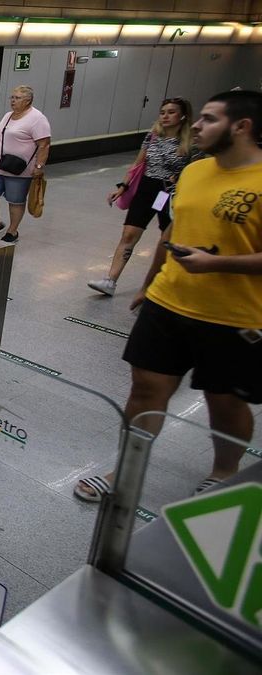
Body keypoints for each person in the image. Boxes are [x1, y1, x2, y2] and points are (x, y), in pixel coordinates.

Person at [74, 90, 262, 503]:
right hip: (167, 301)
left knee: (224, 400)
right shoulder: (195, 173)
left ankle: (224, 471)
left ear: (242, 126)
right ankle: (125, 467)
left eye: (209, 119)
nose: (197, 124)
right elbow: (172, 233)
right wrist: (149, 283)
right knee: (144, 389)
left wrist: (216, 265)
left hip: (233, 315)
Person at [88, 98, 196, 296]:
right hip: (147, 188)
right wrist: (123, 186)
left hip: (171, 191)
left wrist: (181, 177)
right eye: (162, 112)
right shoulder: (153, 136)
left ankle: (164, 282)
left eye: (171, 112)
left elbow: (197, 169)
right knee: (129, 234)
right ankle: (110, 280)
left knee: (168, 237)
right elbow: (138, 164)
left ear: (183, 116)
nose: (165, 116)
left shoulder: (192, 142)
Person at [0, 86, 51, 243]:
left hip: (20, 169)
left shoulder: (37, 119)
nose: (13, 101)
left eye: (17, 98)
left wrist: (39, 167)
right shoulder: (8, 116)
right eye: (12, 97)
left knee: (15, 201)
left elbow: (44, 144)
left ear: (28, 101)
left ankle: (12, 231)